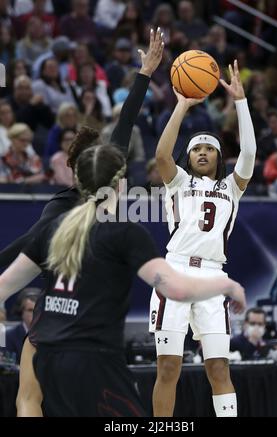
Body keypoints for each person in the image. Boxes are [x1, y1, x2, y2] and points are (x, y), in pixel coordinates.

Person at [0, 140, 246, 417]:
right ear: (119, 186)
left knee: (29, 402)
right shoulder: (124, 233)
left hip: (43, 344)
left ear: (79, 181)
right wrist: (227, 284)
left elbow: (4, 286)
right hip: (93, 354)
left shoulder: (53, 229)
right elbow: (175, 288)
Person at [0, 28, 164, 417]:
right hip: (77, 329)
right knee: (32, 399)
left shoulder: (77, 200)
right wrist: (144, 73)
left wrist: (144, 74)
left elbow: (122, 129)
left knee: (31, 399)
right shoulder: (64, 208)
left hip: (56, 327)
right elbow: (23, 247)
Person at [149, 60, 256, 418]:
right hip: (175, 271)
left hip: (213, 276)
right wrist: (182, 104)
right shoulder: (176, 181)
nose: (203, 152)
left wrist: (240, 102)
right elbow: (162, 154)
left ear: (218, 157)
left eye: (209, 148)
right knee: (168, 367)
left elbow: (250, 154)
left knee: (219, 368)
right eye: (197, 149)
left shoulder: (231, 188)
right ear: (189, 157)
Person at [2, 289, 39, 364]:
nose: (35, 314)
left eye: (38, 310)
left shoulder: (51, 335)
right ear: (21, 312)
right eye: (30, 310)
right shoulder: (7, 337)